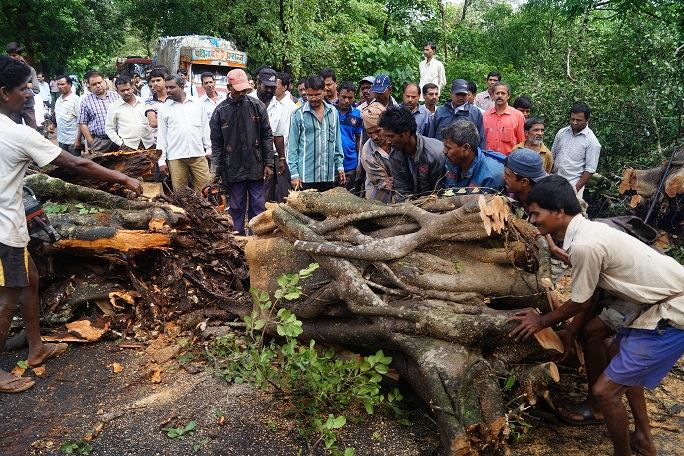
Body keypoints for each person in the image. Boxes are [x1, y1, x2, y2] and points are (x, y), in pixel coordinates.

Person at [509, 174, 684, 456]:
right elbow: (586, 300)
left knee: (605, 392)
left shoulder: (585, 245)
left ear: (559, 212)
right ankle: (642, 438)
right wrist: (572, 335)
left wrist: (540, 321)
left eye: (535, 214)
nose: (532, 221)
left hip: (673, 311)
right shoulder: (587, 234)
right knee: (615, 355)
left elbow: (579, 302)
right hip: (657, 301)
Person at [0, 56, 142, 393]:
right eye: (24, 90)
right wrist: (123, 177)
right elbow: (75, 162)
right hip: (4, 229)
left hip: (10, 222)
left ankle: (36, 349)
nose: (30, 94)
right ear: (4, 93)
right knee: (7, 298)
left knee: (30, 280)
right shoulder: (16, 134)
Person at [211, 68, 274, 235]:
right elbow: (216, 145)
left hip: (256, 164)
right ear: (229, 87)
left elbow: (267, 135)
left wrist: (269, 163)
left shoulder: (257, 106)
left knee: (258, 205)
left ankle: (257, 238)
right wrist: (215, 172)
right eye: (237, 90)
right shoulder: (220, 111)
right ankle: (238, 238)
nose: (241, 93)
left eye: (243, 90)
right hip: (233, 167)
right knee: (237, 206)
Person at [288, 75, 345, 191]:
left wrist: (340, 166)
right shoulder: (298, 114)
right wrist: (294, 174)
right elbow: (292, 147)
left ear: (324, 92)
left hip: (328, 175)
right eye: (310, 95)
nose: (313, 98)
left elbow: (337, 142)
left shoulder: (333, 112)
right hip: (305, 177)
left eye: (317, 95)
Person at [157, 74, 211, 194]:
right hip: (176, 157)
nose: (168, 90)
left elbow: (205, 128)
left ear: (182, 86)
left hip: (198, 155)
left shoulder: (197, 104)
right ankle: (183, 213)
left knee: (205, 190)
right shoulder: (164, 108)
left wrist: (209, 150)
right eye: (167, 87)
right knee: (181, 194)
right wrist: (161, 161)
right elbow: (162, 136)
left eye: (172, 87)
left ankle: (205, 213)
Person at [380, 106, 445, 201]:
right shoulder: (395, 155)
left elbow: (441, 192)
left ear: (406, 132)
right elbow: (401, 190)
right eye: (386, 136)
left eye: (391, 136)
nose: (387, 141)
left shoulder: (436, 154)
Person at [551, 102, 601, 197]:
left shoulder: (592, 141)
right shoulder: (562, 132)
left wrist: (575, 189)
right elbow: (552, 155)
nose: (574, 122)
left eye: (578, 120)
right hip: (553, 182)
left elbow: (590, 170)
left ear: (587, 120)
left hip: (572, 185)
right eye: (572, 119)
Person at [443, 120, 504, 192]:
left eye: (448, 148)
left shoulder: (490, 177)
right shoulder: (451, 162)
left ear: (466, 148)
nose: (444, 151)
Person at [256, 68, 289, 203]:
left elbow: (279, 135)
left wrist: (282, 158)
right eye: (266, 87)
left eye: (272, 87)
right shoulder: (249, 102)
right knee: (258, 192)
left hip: (274, 155)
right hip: (254, 155)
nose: (270, 90)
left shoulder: (281, 108)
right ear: (258, 83)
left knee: (274, 194)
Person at [428, 79, 485, 149]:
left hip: (464, 157)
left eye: (463, 95)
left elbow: (481, 140)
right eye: (458, 94)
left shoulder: (475, 113)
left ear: (467, 95)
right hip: (440, 155)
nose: (460, 97)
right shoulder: (441, 111)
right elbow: (431, 136)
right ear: (451, 94)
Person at [105, 76, 154, 151]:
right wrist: (121, 144)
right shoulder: (114, 107)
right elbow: (109, 129)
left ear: (132, 87)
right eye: (122, 90)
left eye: (128, 89)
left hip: (149, 144)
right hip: (128, 147)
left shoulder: (144, 102)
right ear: (117, 91)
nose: (126, 92)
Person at [78, 70, 120, 153]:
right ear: (89, 86)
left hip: (118, 139)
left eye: (99, 82)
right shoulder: (85, 102)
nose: (98, 85)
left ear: (104, 82)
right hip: (99, 141)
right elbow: (82, 123)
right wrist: (91, 142)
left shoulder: (116, 97)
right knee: (99, 165)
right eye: (94, 84)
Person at [359, 102, 393, 203]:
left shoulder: (398, 141)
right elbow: (384, 183)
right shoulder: (367, 151)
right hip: (377, 196)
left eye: (378, 131)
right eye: (370, 133)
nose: (374, 137)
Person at [482, 82, 525, 155]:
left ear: (508, 96)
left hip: (509, 161)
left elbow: (522, 142)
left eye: (503, 93)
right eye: (497, 93)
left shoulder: (518, 116)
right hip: (488, 160)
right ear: (492, 95)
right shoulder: (484, 116)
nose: (500, 96)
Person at [336, 81, 363, 190]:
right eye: (344, 97)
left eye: (350, 98)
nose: (346, 101)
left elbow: (358, 139)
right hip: (333, 163)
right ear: (338, 95)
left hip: (350, 162)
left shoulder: (357, 114)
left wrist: (358, 162)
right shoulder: (330, 111)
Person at [5, 43, 39, 128]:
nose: (11, 57)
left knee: (33, 132)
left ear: (20, 56)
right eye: (9, 55)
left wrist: (18, 87)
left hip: (28, 106)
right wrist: (26, 85)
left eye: (14, 55)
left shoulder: (30, 70)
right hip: (13, 107)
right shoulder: (5, 71)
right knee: (15, 133)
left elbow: (36, 89)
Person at [53, 75, 82, 156]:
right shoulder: (58, 100)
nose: (60, 86)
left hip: (73, 141)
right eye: (58, 84)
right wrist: (52, 125)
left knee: (76, 165)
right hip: (61, 139)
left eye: (62, 84)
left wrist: (78, 140)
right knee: (65, 165)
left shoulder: (76, 100)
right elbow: (57, 116)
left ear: (70, 85)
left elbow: (81, 122)